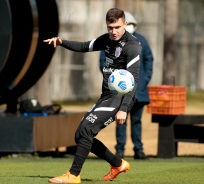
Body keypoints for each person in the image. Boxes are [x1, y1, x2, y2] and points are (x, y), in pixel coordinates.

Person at [44, 8, 141, 183]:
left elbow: (133, 80)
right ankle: (117, 164)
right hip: (106, 97)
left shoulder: (132, 46)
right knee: (80, 135)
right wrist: (61, 42)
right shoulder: (107, 39)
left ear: (125, 24)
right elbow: (83, 46)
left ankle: (73, 175)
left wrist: (124, 109)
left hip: (119, 99)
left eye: (117, 27)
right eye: (110, 27)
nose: (113, 31)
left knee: (86, 130)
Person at [99, 11, 153, 160]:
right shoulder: (110, 41)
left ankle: (139, 149)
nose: (115, 31)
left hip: (139, 92)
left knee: (137, 120)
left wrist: (143, 81)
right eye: (112, 27)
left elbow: (149, 60)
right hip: (118, 92)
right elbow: (103, 61)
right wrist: (112, 81)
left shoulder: (140, 40)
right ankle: (120, 151)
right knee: (120, 120)